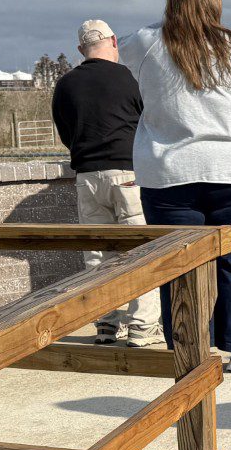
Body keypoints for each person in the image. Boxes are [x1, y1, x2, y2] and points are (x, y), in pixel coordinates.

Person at [122, 0, 231, 372]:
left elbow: (115, 53)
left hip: (170, 173)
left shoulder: (146, 42)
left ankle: (186, 346)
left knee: (178, 263)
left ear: (170, 3)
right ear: (216, 3)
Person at [51, 18, 162, 347]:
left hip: (87, 175)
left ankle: (105, 324)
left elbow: (65, 132)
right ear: (113, 42)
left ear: (80, 49)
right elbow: (149, 123)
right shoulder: (129, 78)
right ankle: (142, 327)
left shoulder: (66, 84)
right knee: (141, 252)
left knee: (98, 256)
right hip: (128, 173)